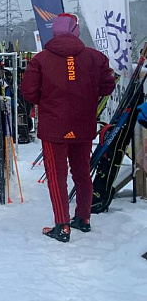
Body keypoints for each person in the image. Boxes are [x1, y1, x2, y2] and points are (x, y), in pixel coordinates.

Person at [21, 13, 114, 242]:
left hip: (54, 126)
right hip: (83, 123)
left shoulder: (41, 60)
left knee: (56, 174)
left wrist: (47, 98)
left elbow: (28, 91)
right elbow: (108, 86)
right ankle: (83, 218)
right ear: (75, 30)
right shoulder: (95, 58)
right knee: (82, 170)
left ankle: (62, 225)